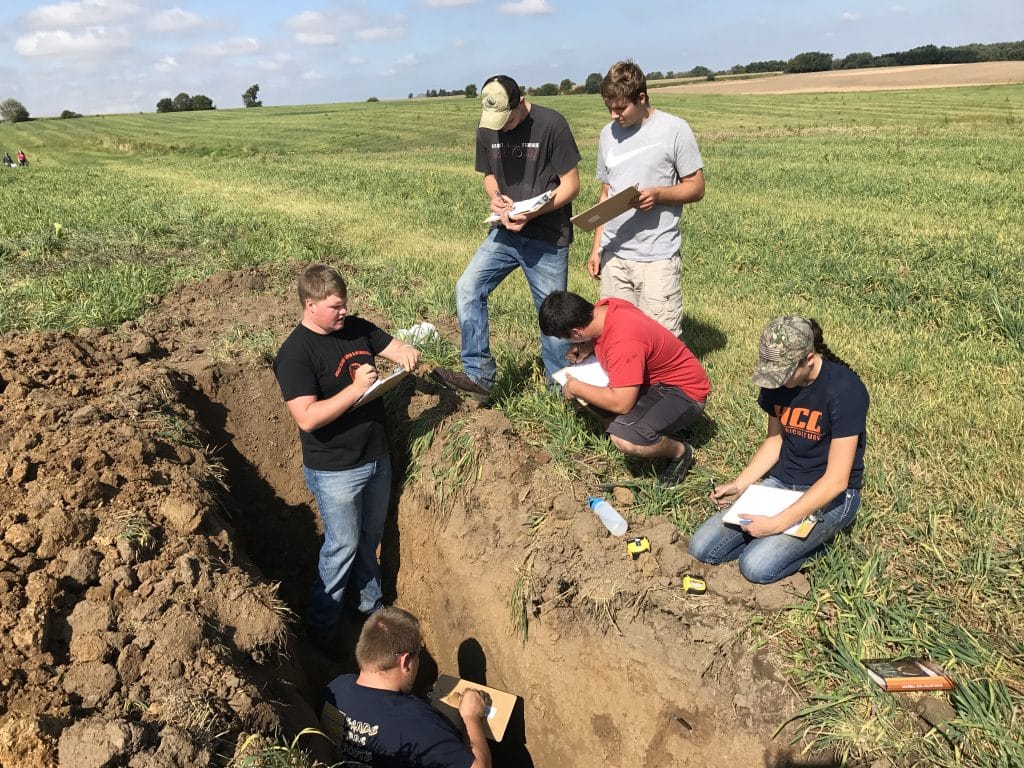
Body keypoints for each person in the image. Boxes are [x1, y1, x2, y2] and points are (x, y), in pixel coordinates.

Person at [273, 264, 420, 646]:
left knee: (371, 536)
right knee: (342, 546)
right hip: (335, 469)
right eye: (335, 307)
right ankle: (322, 628)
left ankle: (370, 610)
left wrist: (406, 353)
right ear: (310, 305)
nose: (344, 312)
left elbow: (395, 346)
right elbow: (307, 418)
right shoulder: (294, 355)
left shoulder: (356, 327)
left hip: (377, 457)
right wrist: (355, 389)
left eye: (345, 305)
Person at [431, 75, 581, 402]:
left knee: (553, 316)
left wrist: (533, 213)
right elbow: (489, 175)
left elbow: (571, 186)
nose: (504, 128)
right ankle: (478, 376)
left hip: (546, 238)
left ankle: (562, 395)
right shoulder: (488, 127)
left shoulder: (552, 124)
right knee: (468, 287)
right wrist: (496, 197)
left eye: (509, 120)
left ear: (521, 101)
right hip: (504, 234)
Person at [688, 316, 869, 584]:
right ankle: (780, 540)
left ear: (808, 359)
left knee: (756, 567)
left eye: (784, 374)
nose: (778, 382)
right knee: (702, 548)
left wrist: (777, 524)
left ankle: (815, 545)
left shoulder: (845, 390)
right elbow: (775, 441)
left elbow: (837, 480)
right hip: (782, 483)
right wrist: (740, 485)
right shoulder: (777, 383)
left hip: (829, 495)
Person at [538, 290, 710, 486]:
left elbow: (622, 403)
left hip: (684, 393)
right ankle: (653, 424)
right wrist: (587, 347)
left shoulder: (624, 342)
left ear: (577, 333)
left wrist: (576, 387)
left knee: (624, 438)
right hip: (656, 382)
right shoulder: (608, 308)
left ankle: (680, 452)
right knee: (594, 399)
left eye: (568, 339)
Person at [586, 61, 705, 338]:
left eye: (620, 108)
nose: (614, 115)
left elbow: (697, 187)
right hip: (615, 253)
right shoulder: (607, 134)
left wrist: (660, 195)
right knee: (618, 337)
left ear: (641, 98)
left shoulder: (674, 129)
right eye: (609, 109)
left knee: (660, 340)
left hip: (657, 256)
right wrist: (597, 249)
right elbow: (607, 193)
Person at [321, 607, 491, 768]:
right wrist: (471, 718)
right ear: (405, 661)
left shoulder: (335, 688)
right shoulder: (418, 724)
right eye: (418, 653)